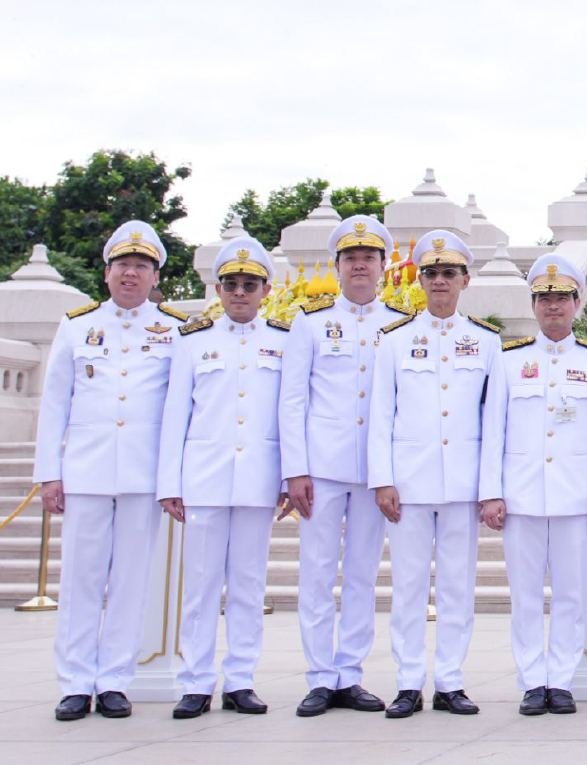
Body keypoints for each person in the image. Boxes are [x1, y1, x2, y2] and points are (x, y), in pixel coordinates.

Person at [34, 221, 193, 722]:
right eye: (123, 265)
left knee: (131, 580)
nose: (131, 273)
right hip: (85, 470)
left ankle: (114, 682)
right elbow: (54, 403)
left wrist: (171, 478)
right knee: (80, 578)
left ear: (155, 277)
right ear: (107, 273)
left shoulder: (172, 329)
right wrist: (49, 472)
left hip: (143, 475)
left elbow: (178, 411)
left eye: (142, 266)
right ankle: (76, 682)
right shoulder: (76, 325)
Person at [280, 215, 411, 717]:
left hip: (375, 473)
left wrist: (391, 472)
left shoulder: (398, 325)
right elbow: (292, 401)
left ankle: (350, 673)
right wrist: (295, 471)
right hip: (321, 469)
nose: (360, 265)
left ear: (383, 266)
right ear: (336, 266)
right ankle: (319, 676)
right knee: (316, 573)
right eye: (351, 258)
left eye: (369, 258)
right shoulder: (309, 323)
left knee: (361, 575)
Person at [368, 229, 502, 717]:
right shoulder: (395, 340)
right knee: (406, 587)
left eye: (449, 272)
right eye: (432, 272)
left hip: (463, 485)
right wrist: (382, 478)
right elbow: (381, 413)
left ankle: (449, 680)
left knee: (456, 586)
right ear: (419, 280)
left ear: (465, 280)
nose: (440, 280)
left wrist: (491, 489)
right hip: (409, 483)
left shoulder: (485, 341)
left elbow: (494, 422)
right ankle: (407, 681)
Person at [479, 254, 587, 716]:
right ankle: (530, 681)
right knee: (524, 597)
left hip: (576, 497)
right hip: (520, 497)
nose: (553, 307)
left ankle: (560, 680)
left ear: (578, 303)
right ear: (534, 305)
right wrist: (491, 492)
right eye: (544, 299)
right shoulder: (508, 361)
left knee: (570, 595)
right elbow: (492, 431)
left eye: (561, 298)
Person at [156, 235, 288, 718]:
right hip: (205, 479)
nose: (239, 293)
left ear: (266, 289)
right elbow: (176, 417)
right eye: (231, 284)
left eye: (249, 284)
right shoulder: (193, 342)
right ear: (217, 288)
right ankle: (195, 681)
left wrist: (288, 477)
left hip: (257, 478)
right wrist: (169, 483)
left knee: (249, 585)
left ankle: (240, 679)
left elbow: (289, 415)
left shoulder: (283, 341)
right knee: (201, 586)